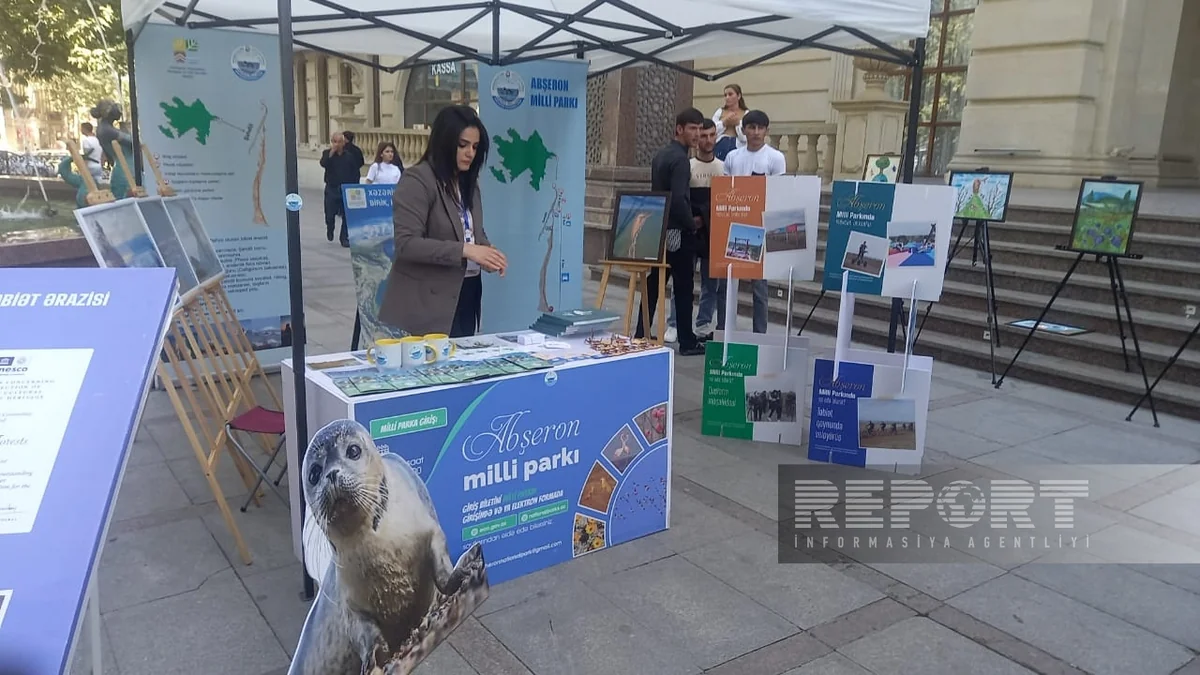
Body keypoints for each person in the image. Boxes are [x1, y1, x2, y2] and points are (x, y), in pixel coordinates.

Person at [379, 105, 508, 338]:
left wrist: (487, 252)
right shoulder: (417, 180)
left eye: (475, 147)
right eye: (463, 145)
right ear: (444, 142)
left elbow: (471, 231)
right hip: (429, 302)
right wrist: (466, 250)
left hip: (467, 293)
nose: (470, 153)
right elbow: (407, 244)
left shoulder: (470, 184)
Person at [634, 108, 706, 357]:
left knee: (653, 284)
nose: (697, 134)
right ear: (679, 129)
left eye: (699, 128)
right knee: (684, 287)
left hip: (658, 229)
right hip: (677, 232)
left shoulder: (661, 155)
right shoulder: (680, 160)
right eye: (692, 128)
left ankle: (642, 332)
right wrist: (691, 224)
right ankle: (686, 340)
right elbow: (677, 199)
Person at [721, 110, 786, 334]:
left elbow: (778, 193)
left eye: (760, 128)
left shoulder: (775, 158)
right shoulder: (733, 157)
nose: (756, 132)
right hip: (735, 226)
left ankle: (760, 334)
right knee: (729, 283)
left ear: (767, 130)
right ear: (744, 130)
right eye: (751, 127)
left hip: (761, 226)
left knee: (759, 287)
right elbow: (725, 192)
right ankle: (725, 330)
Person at [319, 131, 364, 247]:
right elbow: (323, 163)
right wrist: (331, 153)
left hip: (345, 189)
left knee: (346, 214)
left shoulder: (349, 156)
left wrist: (355, 186)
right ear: (331, 142)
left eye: (339, 142)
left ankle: (344, 237)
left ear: (344, 143)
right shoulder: (327, 154)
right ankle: (330, 227)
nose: (337, 144)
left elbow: (355, 172)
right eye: (335, 142)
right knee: (329, 213)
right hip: (331, 188)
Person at [712, 84, 748, 161]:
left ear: (738, 96)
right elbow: (712, 130)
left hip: (738, 149)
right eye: (725, 95)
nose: (727, 97)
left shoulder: (746, 113)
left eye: (730, 94)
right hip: (720, 147)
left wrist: (738, 123)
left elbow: (746, 136)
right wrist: (724, 122)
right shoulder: (719, 112)